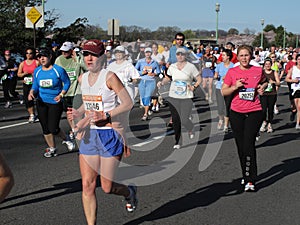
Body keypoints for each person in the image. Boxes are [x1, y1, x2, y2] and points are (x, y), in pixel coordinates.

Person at [66, 39, 136, 224]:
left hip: (109, 134)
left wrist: (106, 114)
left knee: (106, 186)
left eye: (93, 55)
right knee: (87, 185)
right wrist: (78, 112)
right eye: (86, 54)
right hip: (89, 135)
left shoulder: (110, 77)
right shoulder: (82, 79)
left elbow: (128, 103)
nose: (89, 58)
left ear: (102, 57)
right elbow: (87, 103)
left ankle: (129, 192)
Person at [221, 45, 267, 192]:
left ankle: (251, 179)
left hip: (255, 110)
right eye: (241, 55)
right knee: (241, 146)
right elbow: (224, 91)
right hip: (236, 112)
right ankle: (245, 174)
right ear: (238, 57)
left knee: (248, 143)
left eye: (247, 55)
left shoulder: (257, 70)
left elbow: (265, 81)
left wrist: (263, 87)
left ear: (251, 56)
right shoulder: (232, 72)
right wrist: (235, 86)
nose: (244, 58)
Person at [28, 47, 75, 157]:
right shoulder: (37, 71)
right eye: (39, 57)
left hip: (55, 101)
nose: (42, 59)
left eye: (44, 56)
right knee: (45, 127)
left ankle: (66, 139)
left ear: (50, 57)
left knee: (53, 127)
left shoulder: (58, 70)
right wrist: (32, 92)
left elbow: (67, 82)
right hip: (41, 101)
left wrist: (61, 94)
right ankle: (52, 148)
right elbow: (35, 84)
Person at [157, 48, 201, 149]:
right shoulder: (172, 66)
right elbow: (168, 77)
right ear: (176, 55)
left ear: (185, 55)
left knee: (184, 119)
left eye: (182, 54)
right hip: (173, 96)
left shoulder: (191, 67)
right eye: (178, 54)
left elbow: (199, 79)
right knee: (176, 120)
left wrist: (194, 86)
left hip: (187, 96)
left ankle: (190, 127)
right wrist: (162, 82)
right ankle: (178, 141)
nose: (180, 56)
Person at [55, 41, 86, 139]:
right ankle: (73, 129)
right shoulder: (59, 60)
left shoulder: (79, 57)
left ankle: (79, 128)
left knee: (77, 112)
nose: (64, 53)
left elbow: (87, 68)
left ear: (72, 51)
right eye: (62, 51)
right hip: (65, 91)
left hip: (78, 90)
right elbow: (56, 72)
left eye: (66, 51)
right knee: (69, 112)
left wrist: (77, 59)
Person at [135, 47, 160, 120]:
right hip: (142, 81)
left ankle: (145, 114)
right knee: (143, 98)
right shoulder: (140, 61)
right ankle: (148, 108)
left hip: (151, 81)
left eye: (149, 52)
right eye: (146, 52)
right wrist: (141, 72)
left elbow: (158, 72)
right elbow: (135, 70)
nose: (148, 54)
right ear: (144, 53)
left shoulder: (154, 62)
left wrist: (154, 74)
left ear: (151, 53)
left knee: (148, 96)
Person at [214, 49, 234, 132]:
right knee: (220, 107)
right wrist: (217, 76)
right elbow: (215, 75)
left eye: (224, 55)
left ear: (228, 57)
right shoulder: (219, 65)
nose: (222, 57)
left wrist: (228, 77)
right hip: (219, 87)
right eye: (222, 55)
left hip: (229, 89)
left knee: (227, 106)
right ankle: (220, 119)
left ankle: (226, 125)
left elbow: (235, 76)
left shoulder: (233, 66)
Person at [17, 47, 40, 123]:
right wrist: (24, 74)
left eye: (30, 53)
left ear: (33, 54)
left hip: (35, 84)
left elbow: (42, 71)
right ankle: (32, 115)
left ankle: (40, 114)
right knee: (27, 100)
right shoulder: (22, 63)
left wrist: (35, 74)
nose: (29, 55)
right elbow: (19, 74)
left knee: (37, 99)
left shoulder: (36, 62)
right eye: (27, 53)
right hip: (26, 84)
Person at [259, 58, 280, 133]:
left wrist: (273, 82)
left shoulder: (274, 72)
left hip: (272, 94)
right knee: (263, 110)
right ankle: (264, 122)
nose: (267, 65)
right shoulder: (262, 72)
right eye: (266, 64)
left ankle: (270, 124)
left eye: (269, 64)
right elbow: (258, 82)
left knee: (270, 110)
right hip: (264, 94)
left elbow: (279, 83)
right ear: (264, 65)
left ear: (271, 65)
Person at [285, 53, 300, 129]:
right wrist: (293, 80)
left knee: (299, 107)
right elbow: (286, 79)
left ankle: (297, 123)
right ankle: (293, 112)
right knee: (294, 106)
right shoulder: (293, 68)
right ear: (296, 60)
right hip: (294, 89)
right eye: (298, 59)